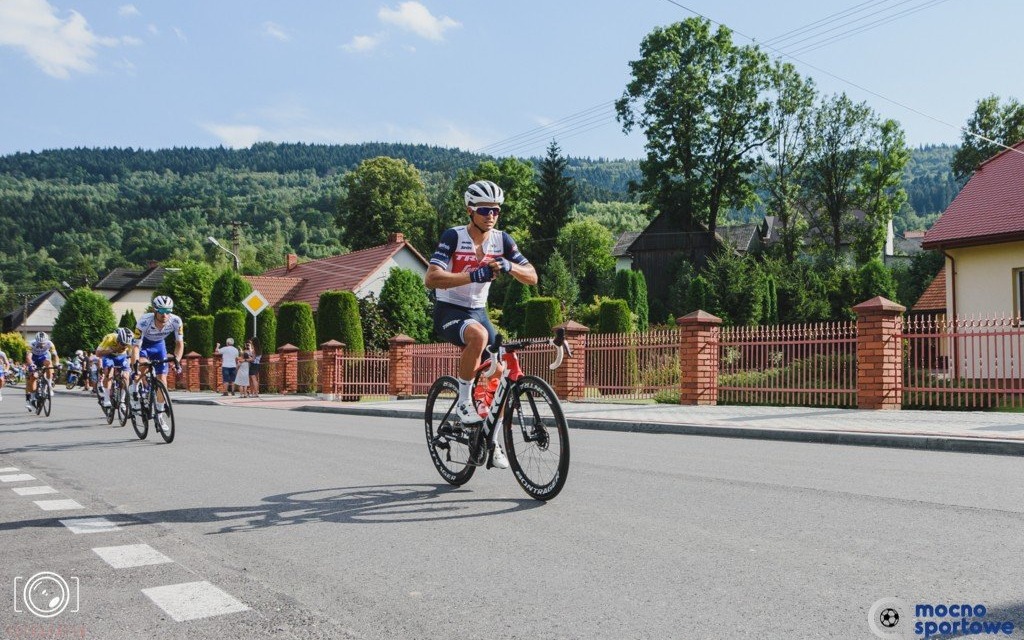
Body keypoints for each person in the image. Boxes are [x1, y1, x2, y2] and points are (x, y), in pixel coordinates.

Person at [424, 179, 536, 469]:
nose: (491, 215)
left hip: (479, 310)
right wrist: (473, 275)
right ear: (470, 211)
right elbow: (431, 278)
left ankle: (492, 440)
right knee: (478, 335)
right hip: (449, 309)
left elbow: (532, 276)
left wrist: (510, 267)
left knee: (502, 372)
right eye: (485, 210)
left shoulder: (502, 240)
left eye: (496, 210)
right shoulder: (453, 236)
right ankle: (463, 401)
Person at [131, 295, 184, 434]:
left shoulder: (176, 321)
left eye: (168, 311)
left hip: (159, 346)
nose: (165, 315)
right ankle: (134, 389)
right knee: (141, 367)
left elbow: (179, 343)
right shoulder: (144, 321)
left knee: (163, 380)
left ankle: (159, 415)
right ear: (155, 310)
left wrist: (177, 359)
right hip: (143, 346)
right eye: (161, 311)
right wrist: (135, 365)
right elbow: (135, 347)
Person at [95, 328, 135, 410]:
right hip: (109, 355)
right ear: (118, 340)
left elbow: (131, 356)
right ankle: (106, 399)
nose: (125, 346)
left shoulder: (130, 343)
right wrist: (112, 350)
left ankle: (122, 401)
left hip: (122, 356)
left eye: (127, 345)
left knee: (126, 376)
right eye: (123, 344)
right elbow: (98, 353)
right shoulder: (109, 338)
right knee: (109, 372)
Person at [24, 331, 59, 412]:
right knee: (33, 377)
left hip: (44, 357)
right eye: (39, 343)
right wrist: (32, 364)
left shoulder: (50, 343)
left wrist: (57, 363)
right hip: (34, 359)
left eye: (43, 343)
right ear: (36, 341)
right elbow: (28, 357)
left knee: (49, 364)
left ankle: (49, 386)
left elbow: (55, 355)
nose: (41, 345)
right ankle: (32, 398)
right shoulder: (31, 344)